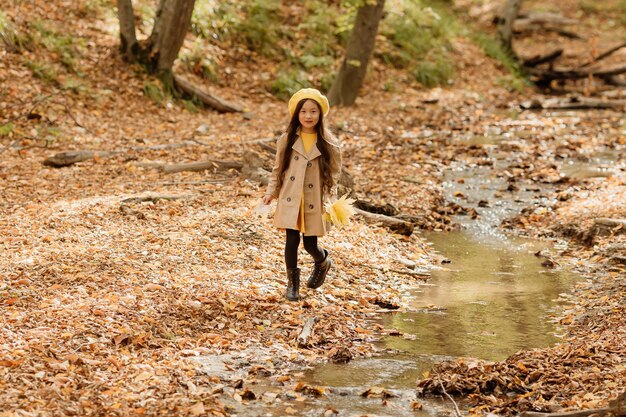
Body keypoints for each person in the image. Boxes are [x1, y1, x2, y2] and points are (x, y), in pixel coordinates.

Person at [263, 88, 342, 301]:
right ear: (297, 114)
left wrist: (329, 199)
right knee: (291, 239)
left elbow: (334, 175)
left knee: (309, 244)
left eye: (313, 111)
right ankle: (292, 285)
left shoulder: (329, 143)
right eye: (304, 111)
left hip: (314, 199)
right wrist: (271, 192)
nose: (308, 116)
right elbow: (278, 169)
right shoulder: (287, 139)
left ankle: (322, 260)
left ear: (320, 114)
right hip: (291, 196)